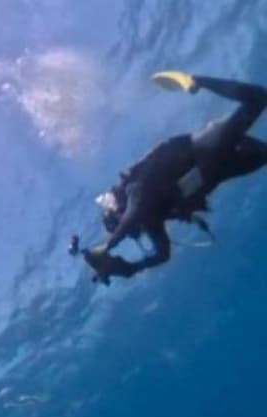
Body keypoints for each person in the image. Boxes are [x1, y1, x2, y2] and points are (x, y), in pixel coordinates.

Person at [78, 71, 267, 284]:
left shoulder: (134, 189)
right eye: (134, 233)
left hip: (204, 149)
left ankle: (197, 81)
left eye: (124, 225)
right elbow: (163, 254)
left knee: (258, 98)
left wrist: (106, 246)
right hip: (219, 170)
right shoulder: (151, 221)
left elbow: (135, 211)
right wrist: (133, 268)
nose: (136, 231)